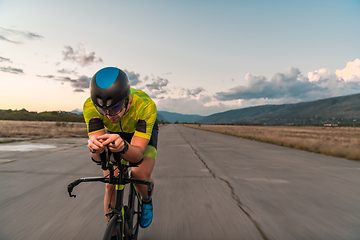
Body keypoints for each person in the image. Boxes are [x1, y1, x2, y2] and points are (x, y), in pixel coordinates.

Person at [83, 66, 158, 228]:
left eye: (115, 108)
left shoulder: (145, 106)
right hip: (116, 134)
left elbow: (137, 155)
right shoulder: (90, 106)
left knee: (139, 175)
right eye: (102, 109)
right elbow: (97, 158)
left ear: (128, 100)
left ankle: (146, 199)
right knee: (111, 181)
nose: (109, 115)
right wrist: (96, 149)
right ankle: (114, 232)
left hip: (141, 134)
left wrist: (124, 147)